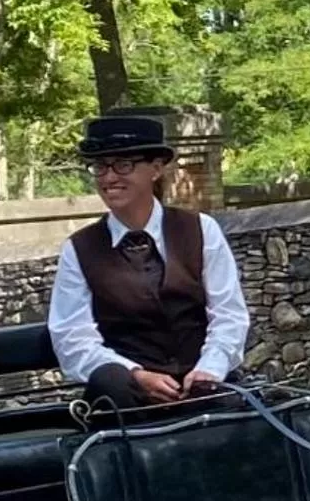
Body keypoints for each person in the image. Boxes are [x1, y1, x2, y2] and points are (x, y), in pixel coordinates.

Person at [46, 115, 249, 408]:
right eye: (100, 167)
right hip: (128, 399)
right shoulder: (79, 249)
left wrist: (209, 370)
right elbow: (72, 338)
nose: (109, 177)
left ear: (155, 169)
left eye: (123, 165)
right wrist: (135, 375)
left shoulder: (201, 229)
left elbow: (229, 314)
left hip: (205, 384)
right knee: (109, 383)